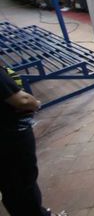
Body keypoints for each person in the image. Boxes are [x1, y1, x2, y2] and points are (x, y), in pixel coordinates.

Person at [0, 67, 65, 216]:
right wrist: (35, 103)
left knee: (10, 186)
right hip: (9, 136)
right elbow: (22, 100)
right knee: (21, 184)